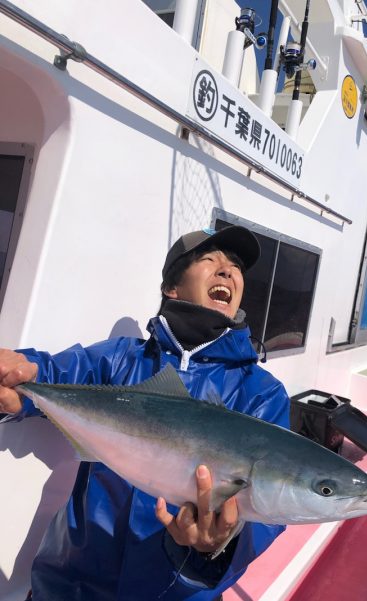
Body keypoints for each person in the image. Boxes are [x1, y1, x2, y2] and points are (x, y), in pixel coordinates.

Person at [0, 225, 291, 601]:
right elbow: (54, 375)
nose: (227, 271)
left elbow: (268, 509)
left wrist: (217, 549)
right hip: (68, 584)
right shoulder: (120, 358)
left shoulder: (261, 393)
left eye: (235, 266)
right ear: (172, 288)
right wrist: (22, 386)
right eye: (210, 260)